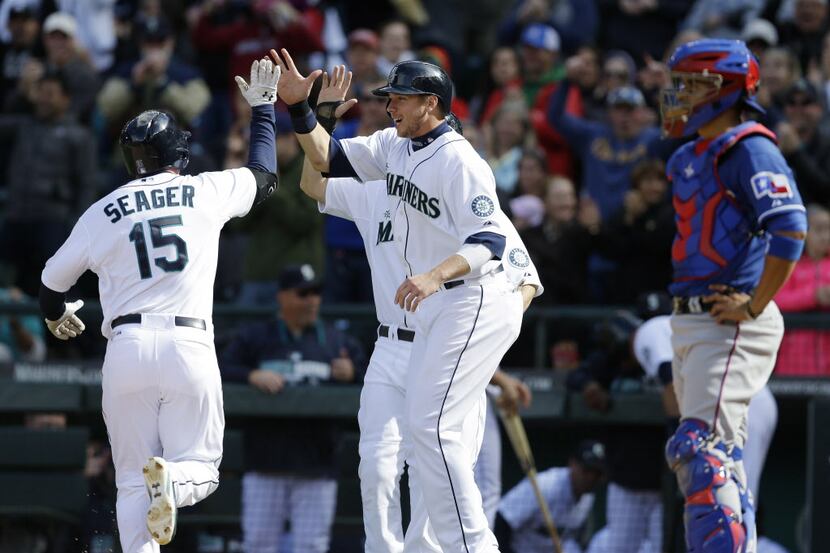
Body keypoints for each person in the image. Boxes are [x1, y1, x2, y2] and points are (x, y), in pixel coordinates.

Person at [273, 48, 532, 552]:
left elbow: (499, 253)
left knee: (433, 443)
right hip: (401, 336)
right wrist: (303, 111)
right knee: (386, 461)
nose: (389, 106)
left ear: (431, 104)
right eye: (388, 97)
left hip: (459, 313)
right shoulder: (391, 152)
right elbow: (320, 168)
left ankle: (474, 548)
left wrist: (475, 346)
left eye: (400, 98)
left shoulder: (460, 162)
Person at [37, 57, 281, 552]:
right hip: (188, 344)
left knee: (130, 480)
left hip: (124, 347)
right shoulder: (203, 189)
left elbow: (50, 280)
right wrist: (262, 111)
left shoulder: (102, 210)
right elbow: (264, 175)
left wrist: (57, 314)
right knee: (200, 471)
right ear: (176, 152)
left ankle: (156, 494)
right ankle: (172, 482)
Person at [660, 38, 807, 553]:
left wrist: (755, 303)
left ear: (723, 88)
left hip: (730, 318)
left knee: (701, 452)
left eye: (690, 85)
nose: (678, 95)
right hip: (693, 320)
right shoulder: (689, 154)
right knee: (719, 461)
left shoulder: (749, 146)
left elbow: (790, 227)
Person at [220, 264, 366, 553]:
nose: (312, 300)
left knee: (312, 546)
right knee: (259, 544)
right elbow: (220, 367)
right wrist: (250, 375)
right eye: (303, 293)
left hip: (318, 464)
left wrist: (354, 370)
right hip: (266, 463)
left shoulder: (337, 341)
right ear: (282, 297)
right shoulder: (257, 337)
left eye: (316, 293)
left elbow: (374, 373)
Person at [494, 440, 606, 553]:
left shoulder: (588, 497)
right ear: (572, 463)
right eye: (586, 470)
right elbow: (501, 519)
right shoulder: (545, 485)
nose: (591, 478)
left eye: (596, 473)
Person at [774, 204, 830, 376]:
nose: (826, 236)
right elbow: (775, 300)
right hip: (792, 367)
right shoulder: (789, 266)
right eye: (819, 229)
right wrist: (814, 296)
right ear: (805, 232)